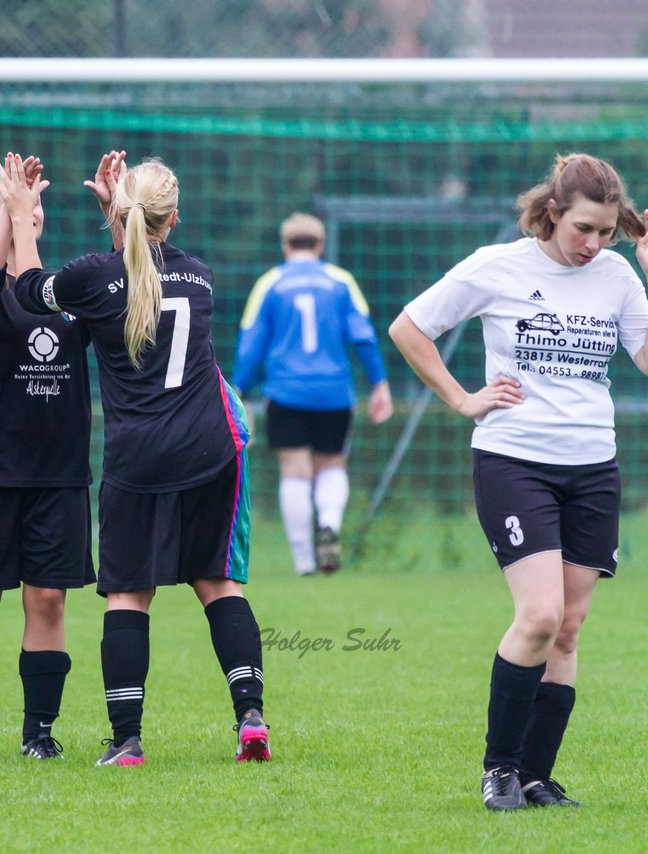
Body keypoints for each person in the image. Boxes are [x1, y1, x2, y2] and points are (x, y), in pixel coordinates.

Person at [389, 153, 648, 811]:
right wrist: (461, 398)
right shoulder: (498, 266)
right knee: (538, 615)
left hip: (592, 467)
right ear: (553, 212)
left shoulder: (617, 275)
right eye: (584, 229)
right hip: (514, 461)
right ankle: (498, 769)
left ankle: (535, 776)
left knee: (568, 627)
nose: (594, 245)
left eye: (607, 232)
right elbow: (409, 327)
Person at [0, 153, 271, 766]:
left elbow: (28, 290)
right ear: (173, 217)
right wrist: (120, 216)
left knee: (127, 597)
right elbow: (140, 272)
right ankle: (250, 717)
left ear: (120, 215)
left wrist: (20, 216)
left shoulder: (91, 276)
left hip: (140, 458)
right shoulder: (199, 275)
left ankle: (127, 742)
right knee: (219, 584)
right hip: (211, 448)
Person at [0, 153, 117, 760]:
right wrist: (8, 217)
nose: (29, 213)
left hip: (59, 474)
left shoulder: (63, 291)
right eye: (15, 205)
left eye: (37, 205)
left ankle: (38, 734)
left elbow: (123, 279)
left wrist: (117, 214)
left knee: (47, 600)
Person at [233, 212, 393, 575]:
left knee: (294, 471)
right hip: (334, 392)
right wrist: (379, 383)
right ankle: (331, 526)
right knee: (331, 465)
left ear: (285, 245)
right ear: (319, 245)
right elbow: (363, 336)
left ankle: (305, 561)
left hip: (286, 392)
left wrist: (239, 390)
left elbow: (251, 345)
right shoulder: (341, 281)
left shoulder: (270, 284)